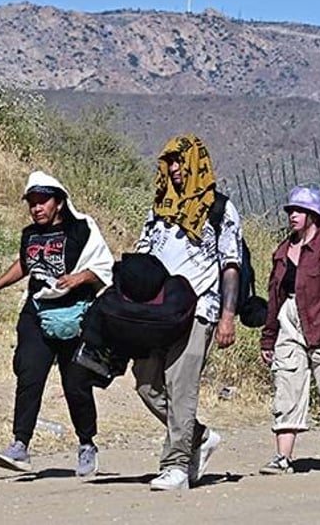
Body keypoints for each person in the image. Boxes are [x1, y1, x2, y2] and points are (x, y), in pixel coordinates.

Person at [0, 171, 114, 476]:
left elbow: (104, 265)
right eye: (32, 203)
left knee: (75, 383)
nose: (37, 208)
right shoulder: (30, 234)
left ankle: (87, 443)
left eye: (43, 201)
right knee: (29, 373)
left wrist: (79, 277)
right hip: (37, 310)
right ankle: (20, 445)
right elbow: (26, 264)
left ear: (60, 202)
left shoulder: (82, 229)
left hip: (76, 312)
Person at [132, 134, 242, 491]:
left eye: (182, 162)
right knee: (147, 383)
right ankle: (199, 436)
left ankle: (176, 466)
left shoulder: (220, 209)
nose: (176, 170)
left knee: (181, 387)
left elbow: (230, 265)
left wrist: (227, 316)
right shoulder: (158, 209)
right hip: (157, 309)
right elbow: (145, 255)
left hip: (200, 309)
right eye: (171, 163)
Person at [259, 185, 320, 475]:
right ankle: (282, 457)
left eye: (299, 210)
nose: (293, 215)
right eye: (291, 210)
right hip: (288, 320)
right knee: (287, 386)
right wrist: (269, 336)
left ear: (314, 215)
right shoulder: (282, 251)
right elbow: (274, 295)